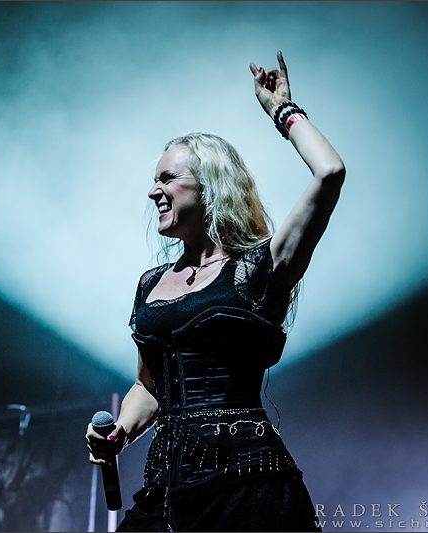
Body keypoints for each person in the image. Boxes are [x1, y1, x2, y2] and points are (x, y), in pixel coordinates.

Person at [86, 51, 344, 532]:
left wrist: (283, 110)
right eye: (153, 180)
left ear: (209, 187)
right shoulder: (151, 284)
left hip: (248, 487)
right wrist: (120, 430)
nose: (153, 191)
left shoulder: (260, 267)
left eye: (167, 178)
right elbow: (148, 387)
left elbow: (329, 172)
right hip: (166, 493)